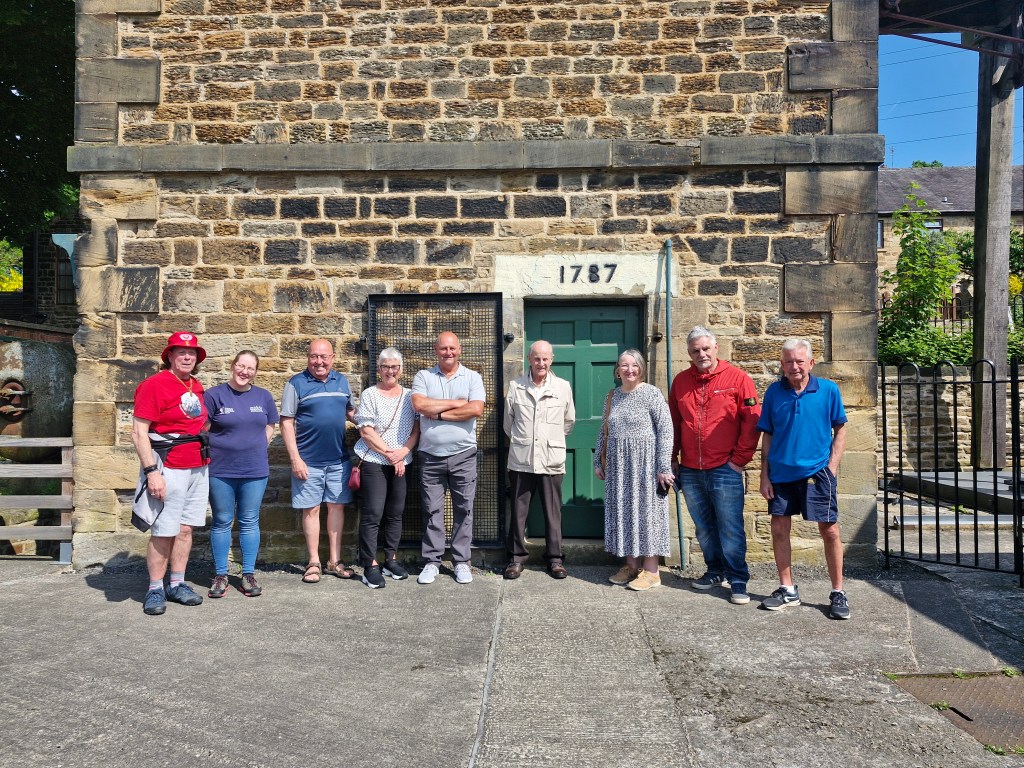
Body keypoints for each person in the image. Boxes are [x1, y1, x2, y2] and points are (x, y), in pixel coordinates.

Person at [757, 338, 850, 620]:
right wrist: (764, 474)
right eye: (788, 361)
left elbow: (840, 428)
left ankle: (837, 592)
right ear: (782, 365)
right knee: (779, 530)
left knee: (830, 531)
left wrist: (832, 467)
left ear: (810, 363)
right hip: (781, 474)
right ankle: (787, 589)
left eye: (799, 361)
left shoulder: (828, 390)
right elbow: (768, 434)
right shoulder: (774, 392)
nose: (794, 366)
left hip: (817, 474)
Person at [669, 326, 760, 605]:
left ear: (716, 347)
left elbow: (752, 419)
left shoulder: (737, 378)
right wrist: (673, 459)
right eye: (695, 350)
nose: (701, 354)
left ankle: (738, 579)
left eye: (706, 348)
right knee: (704, 527)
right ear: (689, 353)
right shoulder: (681, 381)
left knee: (730, 526)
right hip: (691, 469)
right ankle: (715, 570)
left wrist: (739, 460)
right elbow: (673, 423)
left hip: (725, 467)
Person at [131, 331, 210, 616]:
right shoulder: (154, 385)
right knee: (164, 530)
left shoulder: (195, 385)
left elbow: (197, 424)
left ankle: (176, 583)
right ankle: (155, 587)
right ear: (170, 356)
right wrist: (152, 472)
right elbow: (139, 432)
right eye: (181, 352)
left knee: (186, 528)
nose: (187, 357)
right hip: (169, 465)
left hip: (198, 466)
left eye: (192, 353)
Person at [594, 349, 674, 591]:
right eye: (624, 365)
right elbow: (603, 431)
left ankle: (651, 572)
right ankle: (631, 567)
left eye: (634, 365)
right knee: (624, 513)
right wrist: (599, 459)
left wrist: (663, 466)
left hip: (646, 467)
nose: (629, 370)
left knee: (646, 515)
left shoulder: (652, 394)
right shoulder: (612, 397)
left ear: (641, 368)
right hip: (619, 468)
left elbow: (666, 431)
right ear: (617, 370)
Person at [411, 331, 486, 585]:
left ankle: (461, 562)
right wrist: (456, 404)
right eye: (443, 348)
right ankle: (432, 561)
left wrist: (439, 413)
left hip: (464, 454)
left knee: (464, 509)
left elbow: (475, 409)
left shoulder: (472, 377)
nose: (448, 352)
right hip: (430, 456)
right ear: (436, 350)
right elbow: (420, 406)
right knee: (432, 510)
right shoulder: (424, 376)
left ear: (459, 349)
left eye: (452, 348)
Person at [204, 350, 279, 599]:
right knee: (222, 520)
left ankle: (248, 574)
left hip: (254, 469)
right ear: (233, 365)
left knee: (249, 520)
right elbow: (202, 429)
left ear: (255, 372)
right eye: (241, 366)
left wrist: (260, 444)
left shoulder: (263, 396)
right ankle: (221, 575)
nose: (245, 372)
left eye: (250, 368)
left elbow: (271, 424)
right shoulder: (214, 395)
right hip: (221, 469)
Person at [280, 338, 356, 584]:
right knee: (311, 509)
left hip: (338, 460)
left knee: (336, 507)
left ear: (333, 358)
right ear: (308, 358)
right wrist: (295, 459)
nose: (319, 361)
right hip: (308, 461)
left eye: (324, 357)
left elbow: (352, 412)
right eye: (314, 356)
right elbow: (287, 422)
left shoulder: (342, 381)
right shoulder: (296, 383)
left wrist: (373, 425)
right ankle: (313, 562)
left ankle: (334, 560)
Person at [502, 340, 575, 580]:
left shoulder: (563, 387)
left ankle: (555, 559)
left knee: (553, 512)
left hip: (551, 459)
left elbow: (568, 422)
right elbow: (508, 424)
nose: (541, 363)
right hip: (522, 459)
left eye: (545, 359)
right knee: (519, 511)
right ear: (529, 359)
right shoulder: (516, 387)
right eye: (536, 358)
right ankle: (515, 559)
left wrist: (547, 439)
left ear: (551, 360)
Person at [353, 348, 420, 589]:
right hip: (375, 462)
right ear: (378, 369)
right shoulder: (370, 394)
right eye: (385, 366)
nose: (390, 371)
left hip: (403, 461)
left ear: (401, 369)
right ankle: (369, 564)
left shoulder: (411, 396)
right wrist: (392, 455)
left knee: (396, 513)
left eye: (394, 367)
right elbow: (366, 432)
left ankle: (391, 559)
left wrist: (404, 452)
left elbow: (416, 430)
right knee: (373, 514)